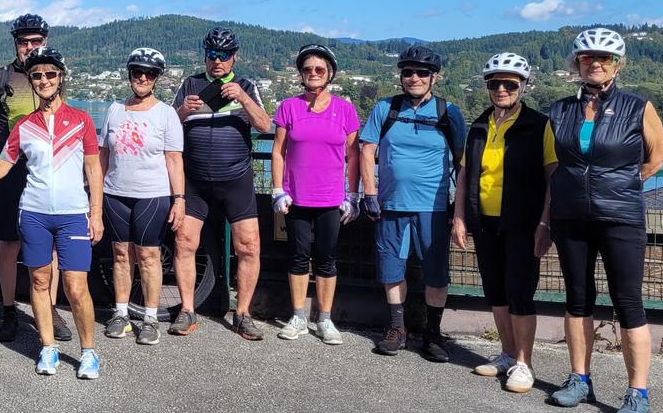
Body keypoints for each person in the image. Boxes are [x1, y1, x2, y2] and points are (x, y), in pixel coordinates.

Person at [544, 28, 663, 413]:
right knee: (577, 299)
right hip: (571, 216)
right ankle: (579, 379)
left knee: (628, 302)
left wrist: (618, 187)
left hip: (621, 216)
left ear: (618, 63)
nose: (595, 64)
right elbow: (554, 164)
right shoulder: (560, 109)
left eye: (605, 58)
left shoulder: (638, 106)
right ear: (576, 63)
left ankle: (638, 393)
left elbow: (654, 160)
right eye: (587, 58)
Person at [0, 47, 105, 379]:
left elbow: (94, 171)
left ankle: (88, 352)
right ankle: (49, 347)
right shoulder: (25, 125)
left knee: (75, 286)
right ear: (31, 80)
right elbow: (1, 166)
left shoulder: (81, 120)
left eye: (50, 74)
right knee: (39, 281)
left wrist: (95, 213)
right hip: (35, 212)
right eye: (37, 75)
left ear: (61, 77)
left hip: (73, 214)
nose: (44, 80)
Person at [451, 53, 557, 393]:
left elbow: (552, 178)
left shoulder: (540, 125)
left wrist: (546, 223)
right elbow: (466, 173)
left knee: (520, 292)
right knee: (495, 290)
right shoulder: (480, 124)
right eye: (494, 83)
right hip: (485, 221)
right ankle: (508, 354)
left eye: (509, 84)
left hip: (524, 222)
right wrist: (459, 216)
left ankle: (525, 363)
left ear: (523, 87)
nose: (501, 89)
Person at [359, 45, 466, 361]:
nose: (414, 78)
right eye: (408, 72)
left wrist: (459, 210)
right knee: (392, 268)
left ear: (434, 77)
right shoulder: (386, 109)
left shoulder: (449, 113)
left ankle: (432, 333)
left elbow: (462, 163)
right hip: (390, 204)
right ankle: (397, 328)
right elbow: (367, 150)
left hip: (433, 207)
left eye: (422, 73)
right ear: (401, 76)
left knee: (436, 273)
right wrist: (369, 192)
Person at [170, 27, 272, 340]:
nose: (217, 61)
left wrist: (242, 97)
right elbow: (169, 127)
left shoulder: (245, 84)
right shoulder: (191, 83)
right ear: (204, 55)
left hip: (236, 179)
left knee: (249, 247)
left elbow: (266, 125)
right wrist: (183, 111)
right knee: (184, 243)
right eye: (212, 54)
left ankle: (242, 314)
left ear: (234, 57)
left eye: (224, 55)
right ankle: (187, 310)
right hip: (196, 180)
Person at [0, 13, 71, 343]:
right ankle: (8, 311)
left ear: (45, 41)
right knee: (8, 242)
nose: (29, 47)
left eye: (36, 41)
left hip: (47, 169)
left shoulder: (51, 74)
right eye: (23, 41)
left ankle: (49, 307)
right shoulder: (0, 78)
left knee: (52, 243)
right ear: (14, 42)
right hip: (10, 167)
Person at [270, 44, 361, 344]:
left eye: (319, 69)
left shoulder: (345, 110)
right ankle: (297, 316)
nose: (312, 74)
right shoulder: (288, 107)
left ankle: (324, 319)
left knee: (327, 259)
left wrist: (353, 195)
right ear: (300, 74)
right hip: (296, 197)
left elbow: (354, 156)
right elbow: (278, 151)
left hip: (331, 198)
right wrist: (277, 190)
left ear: (329, 74)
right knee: (297, 257)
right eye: (307, 69)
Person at [99, 48, 185, 346]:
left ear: (157, 79)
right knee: (121, 254)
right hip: (115, 192)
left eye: (150, 74)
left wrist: (179, 198)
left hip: (152, 194)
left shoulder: (166, 114)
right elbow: (103, 154)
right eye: (138, 72)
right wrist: (94, 192)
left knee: (148, 256)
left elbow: (174, 159)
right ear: (130, 75)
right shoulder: (114, 109)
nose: (143, 78)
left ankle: (149, 317)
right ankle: (121, 312)